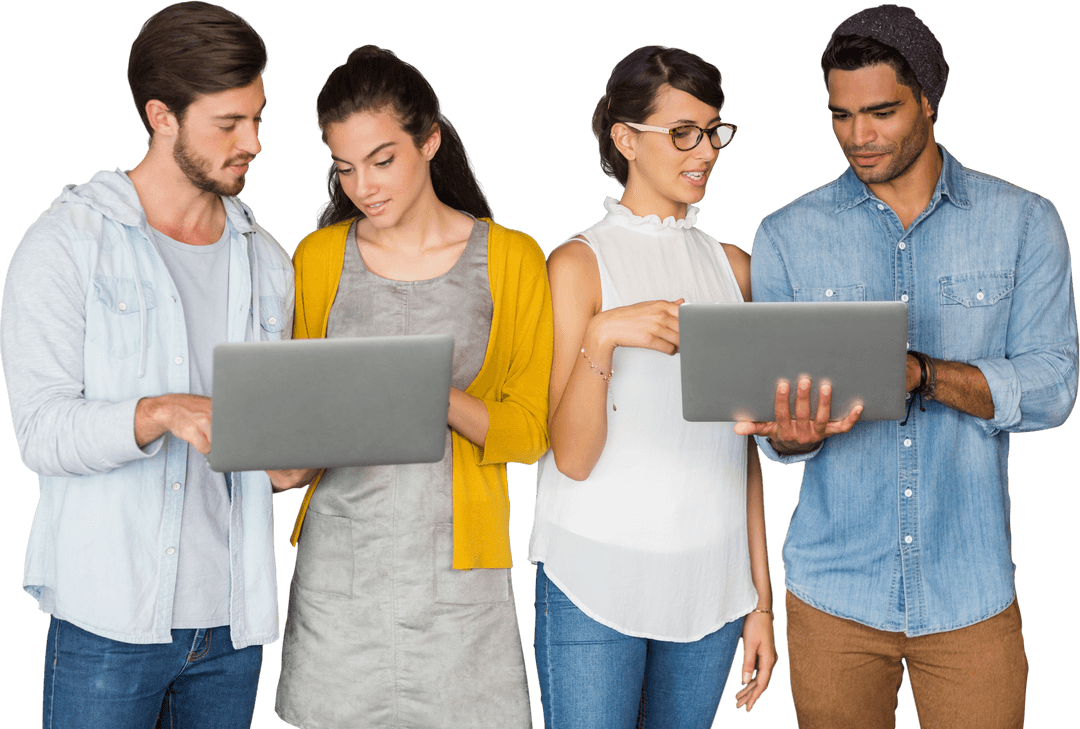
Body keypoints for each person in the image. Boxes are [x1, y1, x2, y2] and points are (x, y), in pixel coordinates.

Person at [736, 5, 1078, 728]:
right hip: (833, 597)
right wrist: (792, 433)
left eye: (882, 111)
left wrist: (923, 372)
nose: (859, 137)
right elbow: (779, 436)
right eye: (840, 115)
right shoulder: (786, 235)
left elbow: (1054, 386)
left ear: (929, 98)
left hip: (971, 594)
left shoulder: (1025, 220)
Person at [0, 3, 295, 728]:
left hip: (233, 626)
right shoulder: (66, 242)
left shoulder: (268, 261)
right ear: (161, 115)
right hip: (108, 623)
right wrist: (158, 411)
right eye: (229, 123)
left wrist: (298, 459)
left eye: (258, 117)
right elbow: (40, 433)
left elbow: (266, 441)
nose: (253, 141)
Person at [272, 45, 552, 729]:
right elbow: (297, 420)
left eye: (382, 159)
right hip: (339, 568)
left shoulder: (513, 256)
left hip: (458, 575)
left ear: (429, 139)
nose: (363, 184)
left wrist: (426, 391)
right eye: (345, 166)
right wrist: (283, 460)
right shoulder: (316, 258)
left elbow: (528, 430)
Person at [529, 45, 776, 729]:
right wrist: (602, 335)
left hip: (712, 585)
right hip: (594, 575)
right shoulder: (579, 262)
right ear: (625, 139)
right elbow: (572, 458)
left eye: (714, 131)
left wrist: (760, 602)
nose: (706, 151)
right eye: (683, 133)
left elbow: (745, 452)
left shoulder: (734, 269)